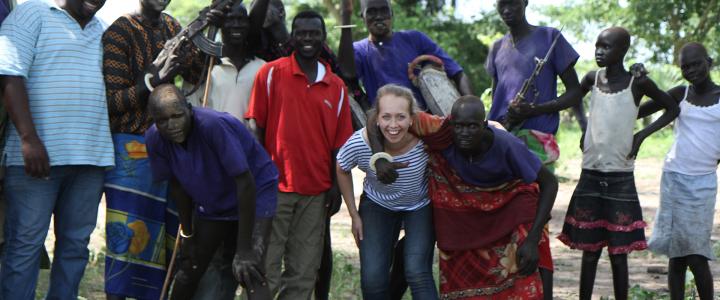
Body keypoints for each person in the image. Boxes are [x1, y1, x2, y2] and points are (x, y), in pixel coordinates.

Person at [371, 96, 558, 299]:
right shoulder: (439, 130)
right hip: (459, 207)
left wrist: (532, 240)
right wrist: (379, 157)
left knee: (531, 252)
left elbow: (549, 183)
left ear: (484, 125)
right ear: (450, 124)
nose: (464, 133)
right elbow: (373, 117)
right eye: (459, 126)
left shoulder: (506, 145)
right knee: (408, 253)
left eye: (472, 127)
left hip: (508, 203)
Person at [0, 0, 115, 298]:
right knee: (24, 246)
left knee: (76, 248)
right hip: (35, 160)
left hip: (90, 158)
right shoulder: (32, 13)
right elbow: (9, 75)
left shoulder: (104, 30)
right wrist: (28, 138)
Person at [556, 27, 679, 300]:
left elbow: (672, 107)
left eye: (606, 46)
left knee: (618, 254)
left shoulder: (638, 83)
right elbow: (574, 97)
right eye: (597, 45)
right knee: (589, 252)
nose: (599, 51)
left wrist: (641, 136)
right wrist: (584, 126)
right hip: (590, 172)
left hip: (620, 176)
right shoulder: (592, 77)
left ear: (622, 51)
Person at [101, 0, 208, 298]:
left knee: (165, 236)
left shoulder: (173, 27)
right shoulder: (120, 31)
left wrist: (207, 27)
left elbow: (197, 75)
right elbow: (113, 102)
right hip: (130, 149)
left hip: (167, 144)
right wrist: (155, 80)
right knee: (127, 236)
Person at [245, 10, 353, 300]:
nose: (308, 38)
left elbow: (338, 145)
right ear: (292, 36)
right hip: (275, 188)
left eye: (314, 33)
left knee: (304, 271)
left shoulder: (337, 87)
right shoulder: (271, 73)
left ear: (323, 38)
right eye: (302, 32)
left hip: (316, 192)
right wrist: (260, 177)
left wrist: (334, 185)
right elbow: (257, 128)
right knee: (265, 266)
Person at [145, 84, 277, 300]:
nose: (172, 125)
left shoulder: (212, 126)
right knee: (191, 264)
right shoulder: (155, 140)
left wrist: (244, 249)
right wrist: (188, 234)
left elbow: (245, 182)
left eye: (177, 116)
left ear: (189, 109)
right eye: (163, 120)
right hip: (214, 198)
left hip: (254, 190)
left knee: (249, 268)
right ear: (154, 120)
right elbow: (177, 185)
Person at [336, 84, 438, 299]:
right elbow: (341, 167)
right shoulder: (362, 142)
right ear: (377, 118)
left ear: (412, 118)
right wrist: (354, 214)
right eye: (386, 117)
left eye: (401, 117)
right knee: (373, 280)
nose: (393, 125)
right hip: (378, 205)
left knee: (418, 272)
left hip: (418, 206)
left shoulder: (425, 137)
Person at [640, 42, 719, 300]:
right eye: (685, 66)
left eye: (696, 63)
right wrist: (639, 83)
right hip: (673, 178)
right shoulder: (680, 94)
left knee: (696, 255)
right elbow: (638, 110)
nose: (691, 69)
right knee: (677, 256)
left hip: (703, 183)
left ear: (709, 62)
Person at [338, 0, 473, 110]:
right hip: (389, 129)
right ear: (363, 16)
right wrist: (345, 15)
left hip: (428, 122)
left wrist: (472, 107)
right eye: (371, 12)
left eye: (384, 10)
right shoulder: (359, 50)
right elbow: (347, 73)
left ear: (392, 13)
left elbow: (457, 73)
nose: (378, 17)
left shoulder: (415, 39)